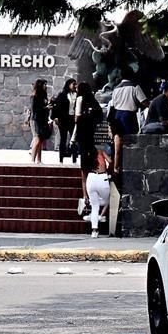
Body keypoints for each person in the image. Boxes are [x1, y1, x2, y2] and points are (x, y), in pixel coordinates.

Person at [74, 82, 102, 212]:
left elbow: (77, 118)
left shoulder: (80, 99)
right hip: (92, 137)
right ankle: (93, 196)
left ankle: (85, 196)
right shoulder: (94, 102)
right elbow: (100, 117)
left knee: (84, 170)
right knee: (92, 168)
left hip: (82, 137)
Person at [85, 147, 112, 238]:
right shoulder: (100, 151)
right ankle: (101, 215)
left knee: (94, 206)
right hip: (102, 177)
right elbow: (110, 161)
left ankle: (94, 230)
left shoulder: (86, 154)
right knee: (108, 199)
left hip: (91, 178)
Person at [51, 78, 77, 163]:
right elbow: (57, 107)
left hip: (73, 119)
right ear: (68, 85)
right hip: (64, 119)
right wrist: (55, 117)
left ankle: (74, 157)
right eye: (73, 84)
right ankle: (61, 157)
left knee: (73, 138)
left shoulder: (77, 95)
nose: (74, 86)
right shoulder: (62, 95)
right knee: (63, 138)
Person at [28, 79, 51, 164]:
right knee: (37, 138)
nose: (46, 86)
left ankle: (39, 160)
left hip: (43, 119)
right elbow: (34, 110)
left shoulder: (44, 96)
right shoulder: (34, 96)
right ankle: (32, 160)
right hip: (36, 119)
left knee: (41, 140)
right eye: (44, 84)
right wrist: (46, 108)